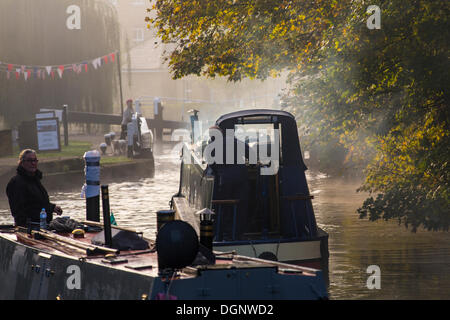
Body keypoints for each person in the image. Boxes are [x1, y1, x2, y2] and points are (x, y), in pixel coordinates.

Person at [6, 149, 63, 228]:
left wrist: (52, 207)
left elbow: (38, 202)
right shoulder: (16, 183)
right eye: (29, 161)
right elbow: (20, 210)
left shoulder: (35, 180)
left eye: (35, 160)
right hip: (29, 228)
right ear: (22, 162)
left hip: (43, 225)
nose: (33, 163)